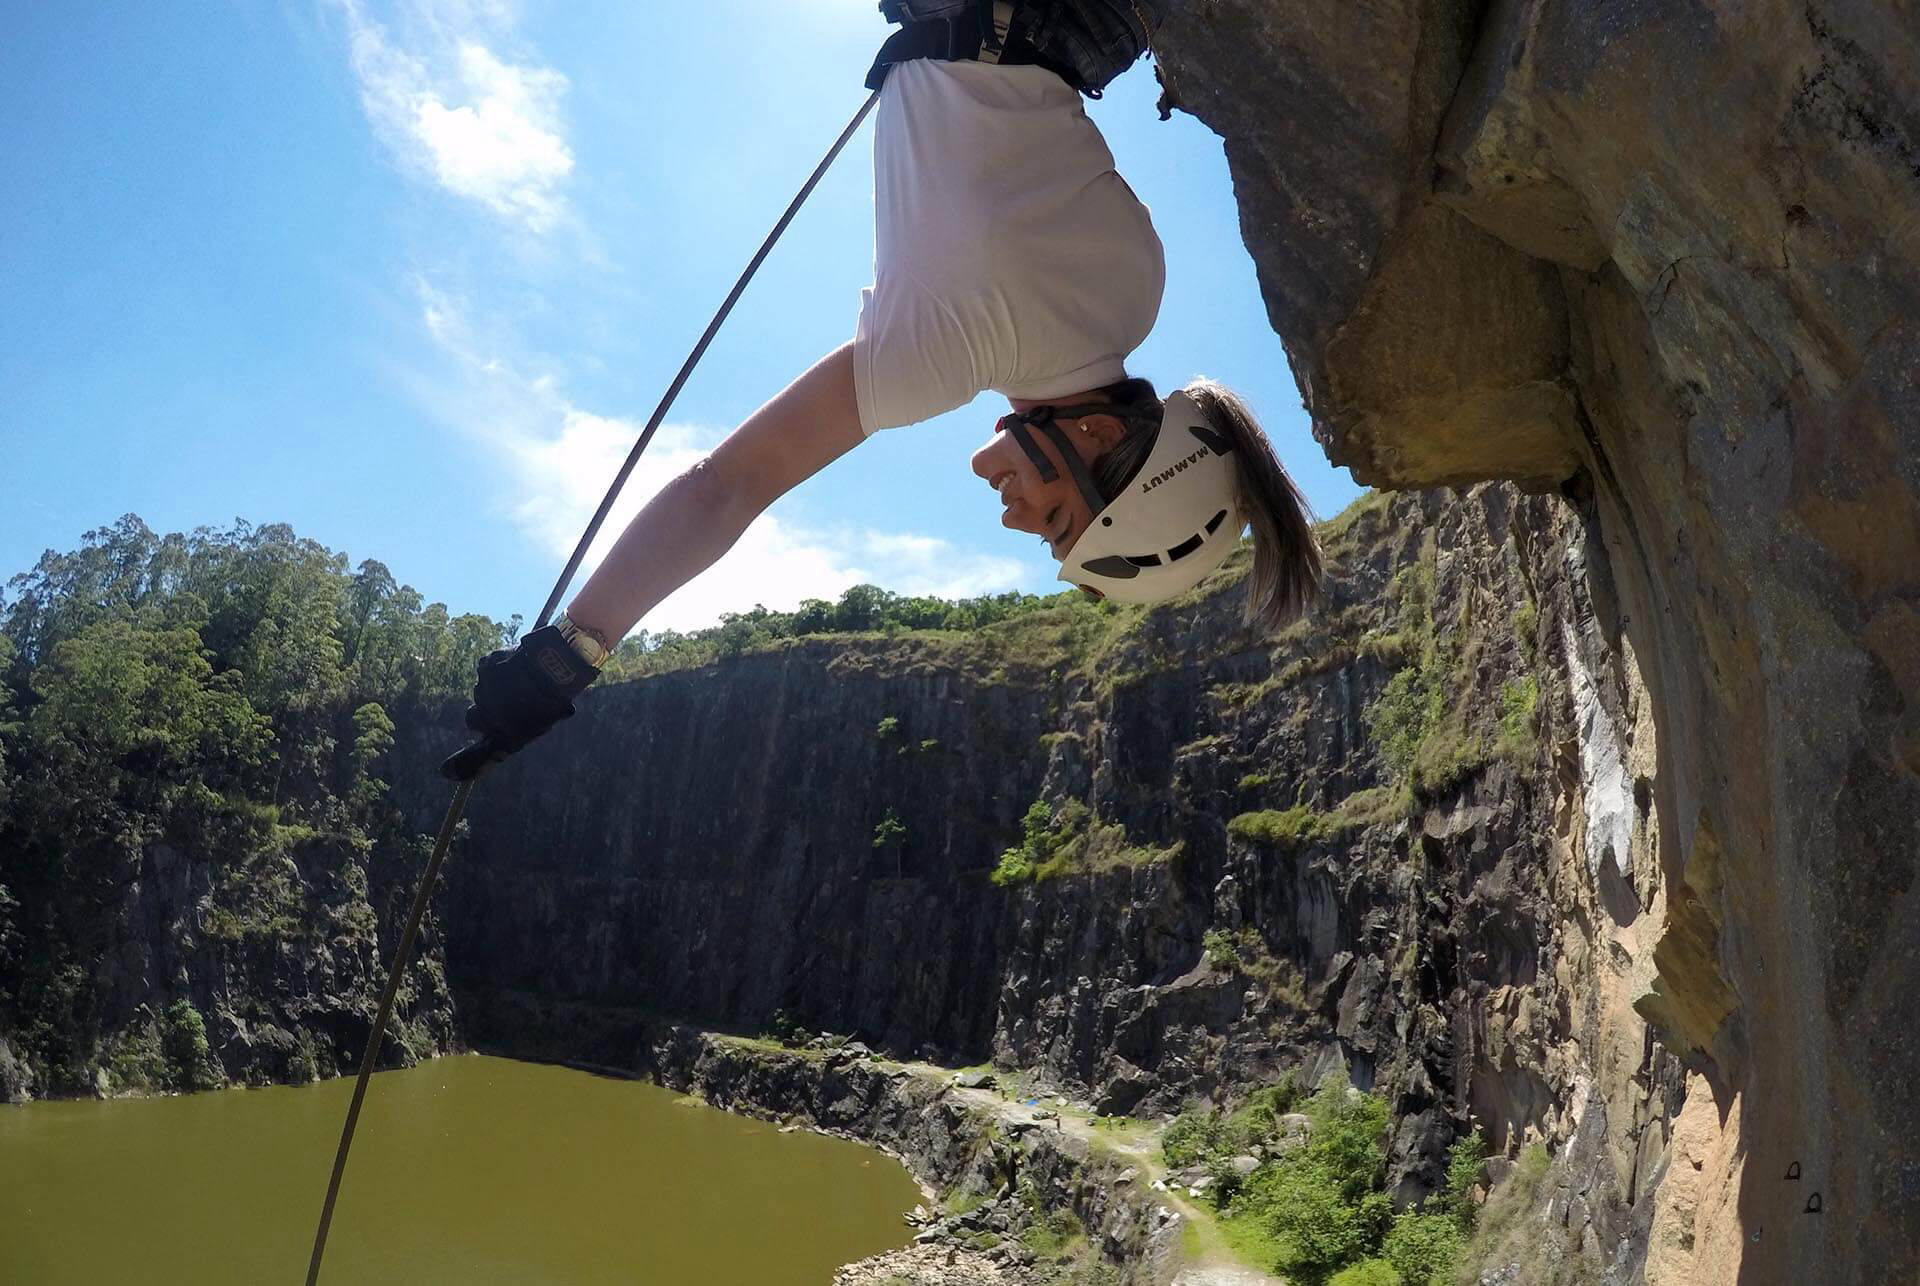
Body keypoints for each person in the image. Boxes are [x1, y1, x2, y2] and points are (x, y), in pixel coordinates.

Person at [443, 1, 1323, 781]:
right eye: (1055, 518)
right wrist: (571, 654)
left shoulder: (1141, 290)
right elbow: (725, 489)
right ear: (1094, 438)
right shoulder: (938, 359)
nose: (1016, 518)